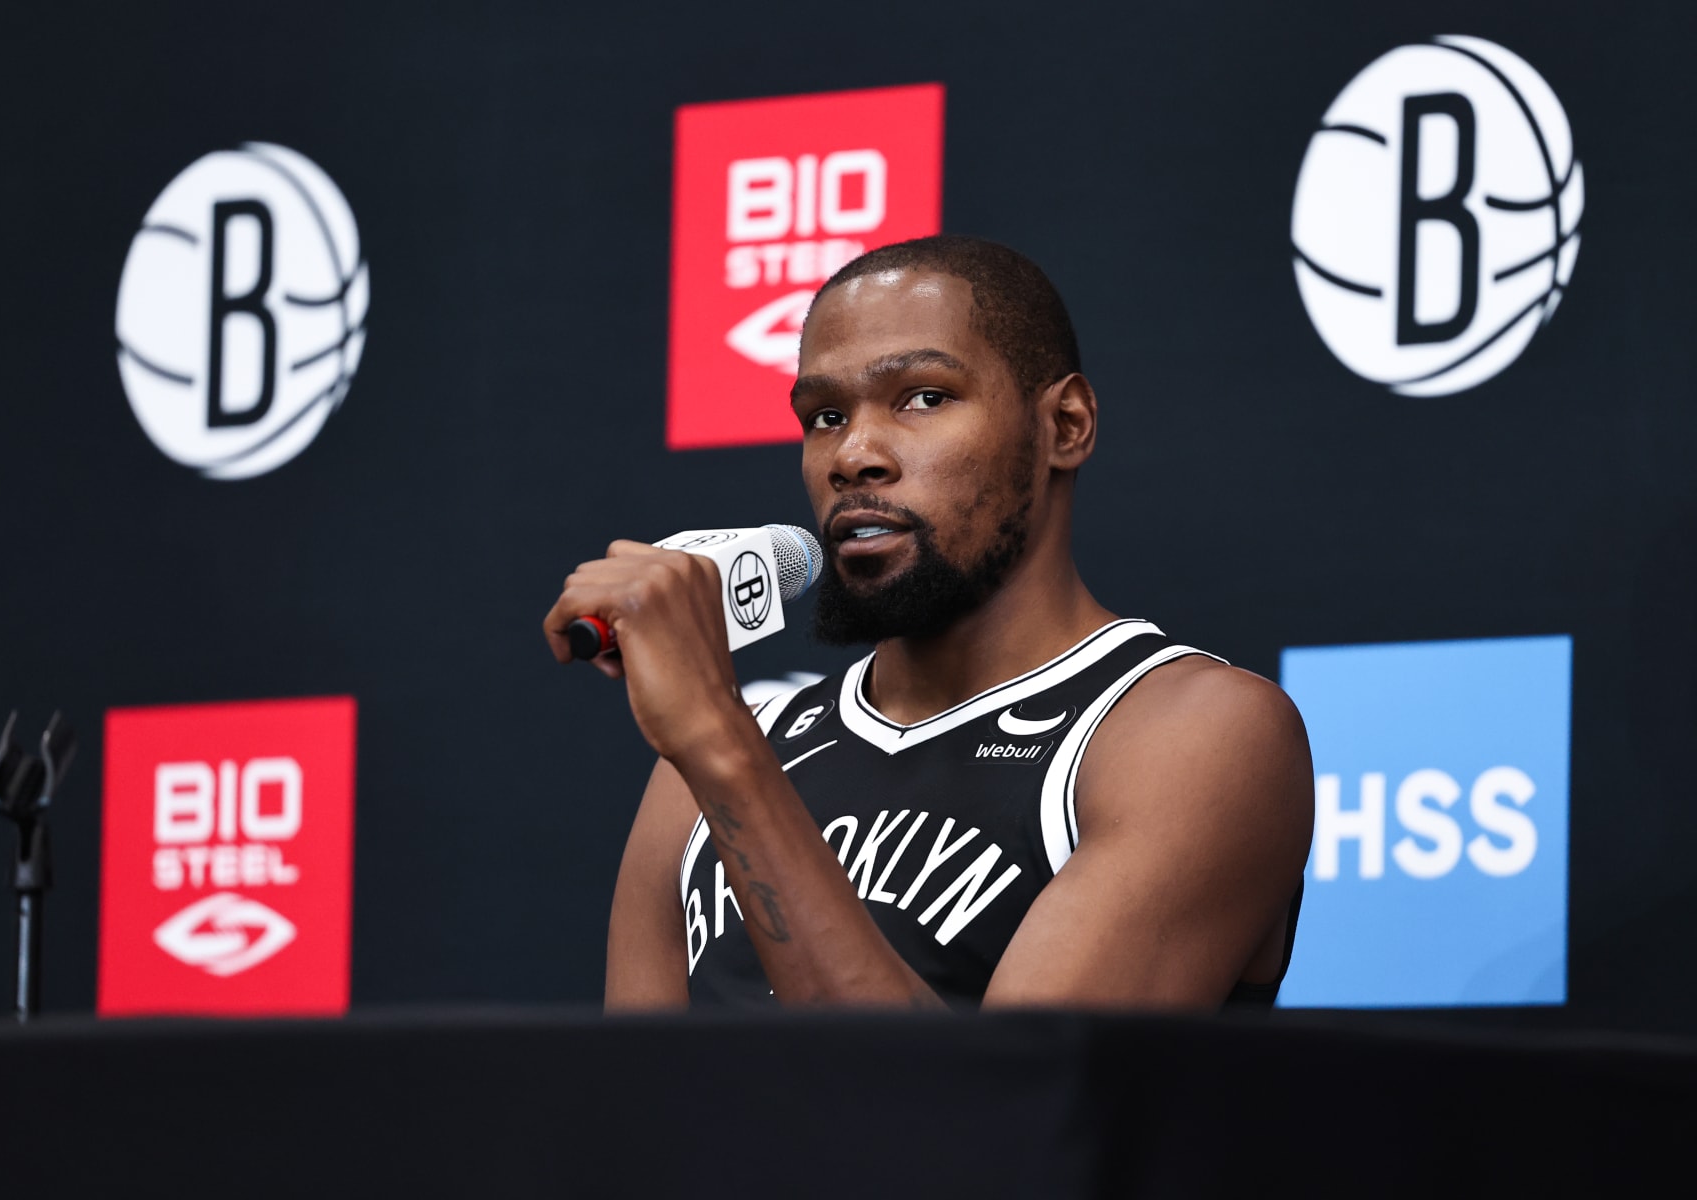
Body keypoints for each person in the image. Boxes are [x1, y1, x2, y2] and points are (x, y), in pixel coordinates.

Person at [545, 235, 1313, 1011]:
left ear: (1067, 425)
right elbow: (632, 1115)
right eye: (826, 415)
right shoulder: (716, 759)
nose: (854, 454)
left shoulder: (1194, 734)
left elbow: (992, 1110)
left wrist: (717, 742)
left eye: (923, 397)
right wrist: (716, 745)